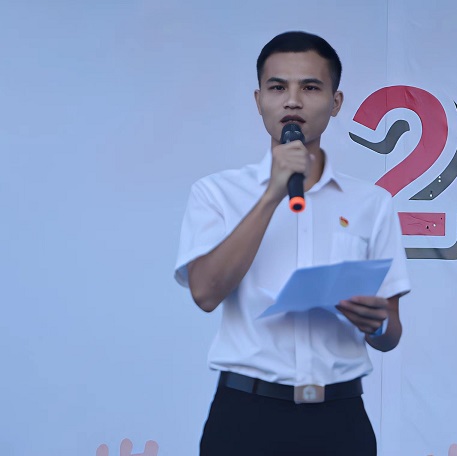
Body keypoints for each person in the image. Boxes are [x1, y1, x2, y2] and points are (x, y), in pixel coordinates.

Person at [174, 31, 410, 455]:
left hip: (339, 418)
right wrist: (272, 194)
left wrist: (376, 323)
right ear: (258, 99)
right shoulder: (216, 193)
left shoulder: (371, 203)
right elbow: (205, 293)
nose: (293, 101)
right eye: (278, 87)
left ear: (336, 102)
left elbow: (390, 333)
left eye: (311, 88)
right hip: (245, 416)